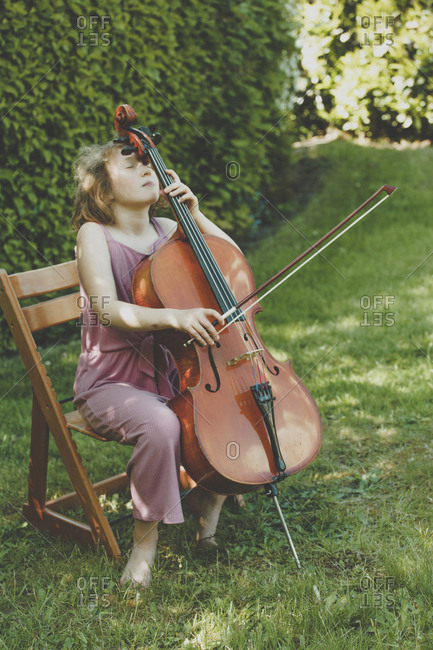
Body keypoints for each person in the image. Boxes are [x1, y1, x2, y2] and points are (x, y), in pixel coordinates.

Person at [72, 139, 239, 589]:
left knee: (232, 412)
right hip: (111, 382)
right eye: (132, 162)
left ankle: (210, 499)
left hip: (173, 372)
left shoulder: (169, 227)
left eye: (149, 161)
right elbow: (106, 309)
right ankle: (144, 546)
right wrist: (173, 317)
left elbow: (233, 267)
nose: (148, 167)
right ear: (102, 191)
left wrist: (197, 216)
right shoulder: (94, 234)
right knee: (162, 425)